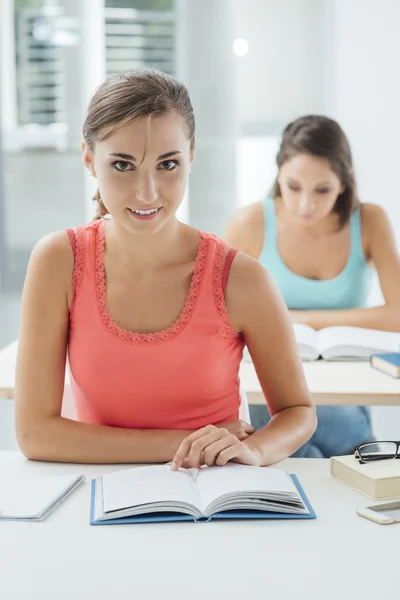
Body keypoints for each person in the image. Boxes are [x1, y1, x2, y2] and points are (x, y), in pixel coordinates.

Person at [14, 69, 316, 468]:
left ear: (190, 155)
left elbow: (298, 411)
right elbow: (36, 435)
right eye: (123, 165)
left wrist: (253, 449)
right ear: (89, 159)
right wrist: (187, 444)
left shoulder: (240, 279)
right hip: (97, 497)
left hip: (212, 497)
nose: (147, 192)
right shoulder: (58, 262)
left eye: (168, 164)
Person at [225, 115, 400, 458]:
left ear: (344, 184)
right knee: (310, 444)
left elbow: (397, 314)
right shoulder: (250, 223)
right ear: (278, 175)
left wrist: (298, 318)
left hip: (344, 387)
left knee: (332, 437)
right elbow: (216, 312)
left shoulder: (369, 220)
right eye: (293, 187)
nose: (306, 204)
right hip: (270, 389)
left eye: (323, 190)